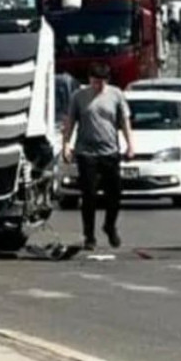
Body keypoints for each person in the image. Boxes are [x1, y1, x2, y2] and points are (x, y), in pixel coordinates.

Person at [62, 62, 135, 250]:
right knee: (89, 195)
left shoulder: (116, 95)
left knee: (115, 194)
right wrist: (66, 145)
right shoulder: (79, 97)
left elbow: (124, 121)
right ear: (90, 80)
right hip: (86, 152)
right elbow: (70, 122)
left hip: (109, 150)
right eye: (95, 82)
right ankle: (89, 235)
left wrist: (130, 145)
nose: (98, 86)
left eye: (102, 82)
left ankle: (109, 226)